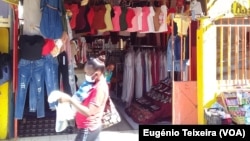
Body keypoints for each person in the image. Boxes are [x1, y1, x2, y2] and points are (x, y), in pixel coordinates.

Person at [57, 55, 109, 141]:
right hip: (91, 128)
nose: (85, 75)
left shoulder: (99, 88)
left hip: (88, 129)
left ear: (96, 74)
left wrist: (70, 100)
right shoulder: (93, 82)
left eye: (87, 73)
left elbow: (89, 112)